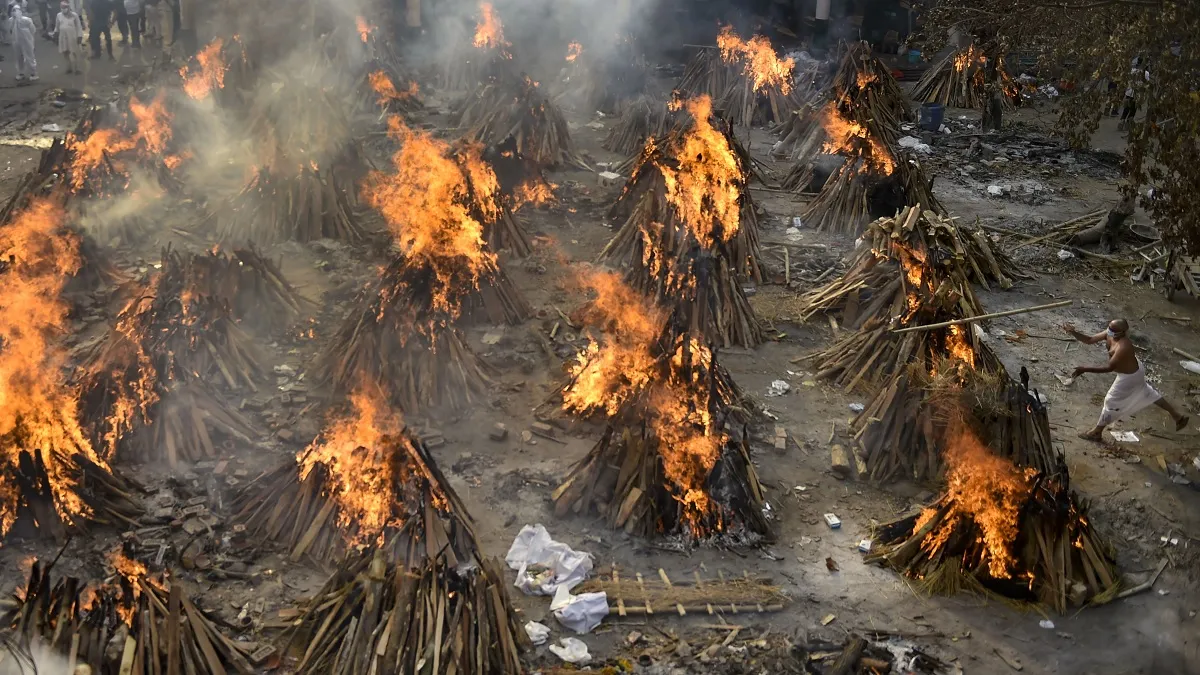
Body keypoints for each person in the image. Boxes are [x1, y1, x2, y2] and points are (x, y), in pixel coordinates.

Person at [1063, 319, 1190, 441]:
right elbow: (1090, 340)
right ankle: (1177, 417)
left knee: (1111, 400)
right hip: (1134, 369)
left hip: (1129, 376)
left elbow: (1109, 368)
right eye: (1110, 327)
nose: (1109, 331)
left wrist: (1084, 369)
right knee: (1147, 392)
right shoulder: (1109, 333)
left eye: (1113, 329)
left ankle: (1097, 432)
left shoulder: (1124, 346)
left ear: (1122, 332)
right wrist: (1073, 332)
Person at [53, 0, 82, 72]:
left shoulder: (74, 15)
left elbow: (78, 26)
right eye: (62, 7)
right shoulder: (59, 15)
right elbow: (57, 26)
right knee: (65, 52)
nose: (63, 9)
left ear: (68, 7)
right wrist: (55, 34)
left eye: (65, 7)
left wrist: (79, 36)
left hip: (72, 37)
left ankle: (77, 68)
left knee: (74, 52)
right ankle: (69, 67)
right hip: (63, 37)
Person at [10, 4, 37, 80]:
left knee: (29, 57)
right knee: (19, 57)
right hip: (16, 42)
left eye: (17, 10)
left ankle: (33, 73)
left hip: (26, 41)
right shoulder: (11, 21)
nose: (16, 12)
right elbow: (10, 30)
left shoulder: (26, 20)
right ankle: (21, 73)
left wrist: (30, 40)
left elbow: (33, 30)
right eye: (14, 11)